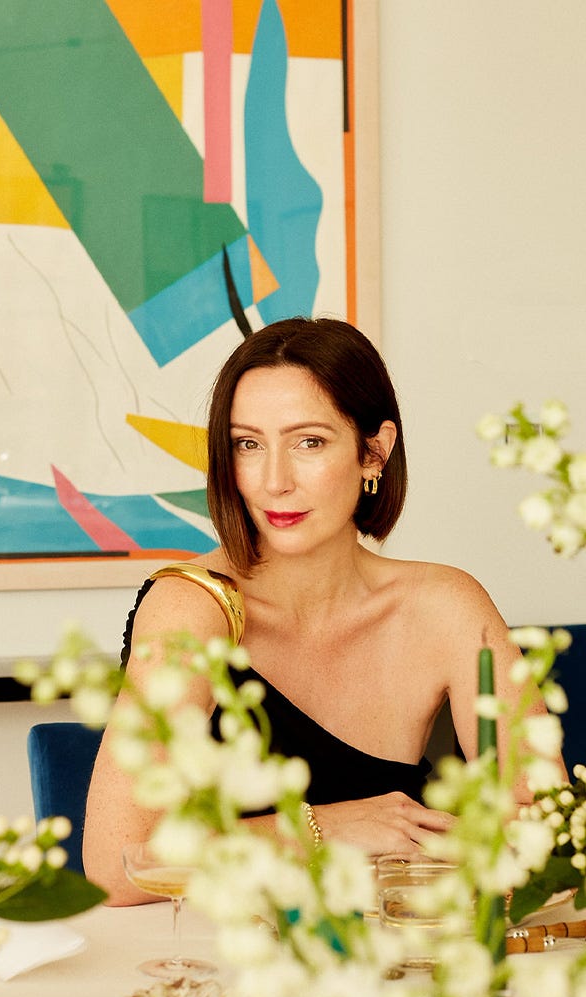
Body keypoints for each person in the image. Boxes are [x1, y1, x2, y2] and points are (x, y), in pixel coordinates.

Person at [82, 316, 553, 905]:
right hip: (228, 962)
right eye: (247, 444)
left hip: (399, 953)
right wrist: (327, 828)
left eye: (309, 442)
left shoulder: (447, 605)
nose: (274, 481)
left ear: (374, 453)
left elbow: (545, 823)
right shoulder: (192, 605)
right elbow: (115, 866)